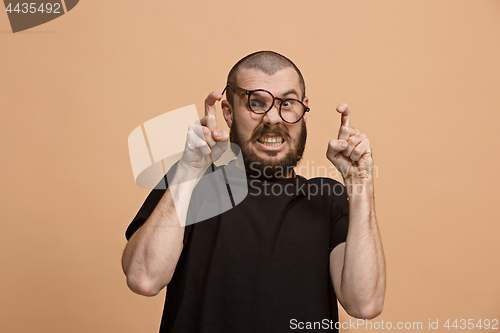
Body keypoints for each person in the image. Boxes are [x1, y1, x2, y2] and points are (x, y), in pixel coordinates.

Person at [121, 51, 386, 332]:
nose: (273, 118)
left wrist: (361, 186)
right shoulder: (190, 182)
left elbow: (364, 304)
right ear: (228, 112)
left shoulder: (327, 199)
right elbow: (144, 279)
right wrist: (188, 169)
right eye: (255, 103)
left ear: (303, 110)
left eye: (287, 103)